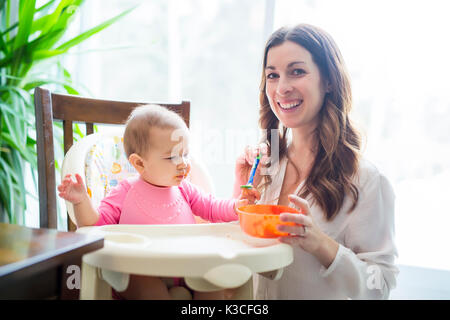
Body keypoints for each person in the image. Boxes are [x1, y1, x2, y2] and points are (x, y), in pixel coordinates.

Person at [234, 24, 398, 299]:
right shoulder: (266, 165)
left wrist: (320, 243)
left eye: (297, 71)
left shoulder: (367, 180)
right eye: (272, 75)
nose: (282, 88)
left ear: (329, 80)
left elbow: (379, 285)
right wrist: (241, 191)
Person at [58, 104, 258, 300]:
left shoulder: (185, 189)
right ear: (139, 163)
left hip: (187, 269)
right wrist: (81, 202)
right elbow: (94, 225)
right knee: (145, 285)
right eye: (172, 157)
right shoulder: (124, 192)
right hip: (139, 270)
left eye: (185, 154)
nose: (183, 164)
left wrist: (237, 206)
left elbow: (212, 207)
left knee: (213, 283)